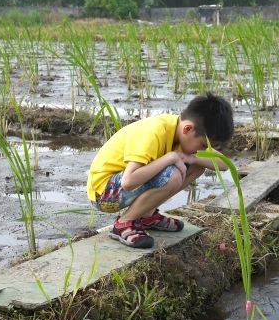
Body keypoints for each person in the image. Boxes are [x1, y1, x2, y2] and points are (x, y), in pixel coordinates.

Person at [87, 92, 234, 249]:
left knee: (198, 166)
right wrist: (170, 157)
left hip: (122, 185)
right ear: (188, 129)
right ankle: (123, 223)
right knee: (173, 174)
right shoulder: (153, 132)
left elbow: (223, 164)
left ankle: (146, 215)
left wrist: (194, 158)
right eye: (204, 145)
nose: (203, 149)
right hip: (103, 192)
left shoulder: (182, 131)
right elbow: (128, 182)